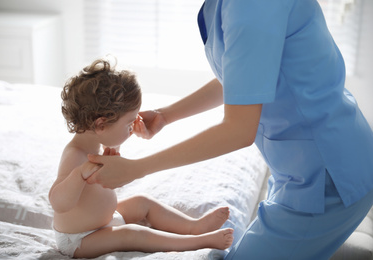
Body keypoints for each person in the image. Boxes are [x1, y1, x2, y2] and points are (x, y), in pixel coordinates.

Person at [86, 1, 373, 259]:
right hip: (301, 165)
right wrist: (165, 116)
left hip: (328, 176)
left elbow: (238, 130)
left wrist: (137, 168)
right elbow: (244, 79)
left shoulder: (251, 7)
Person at [48, 58, 234, 259]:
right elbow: (58, 202)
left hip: (105, 221)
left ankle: (194, 226)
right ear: (101, 125)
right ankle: (197, 242)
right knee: (131, 234)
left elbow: (109, 150)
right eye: (129, 123)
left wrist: (119, 141)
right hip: (81, 239)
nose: (133, 126)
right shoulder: (74, 154)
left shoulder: (96, 142)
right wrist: (79, 175)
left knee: (142, 202)